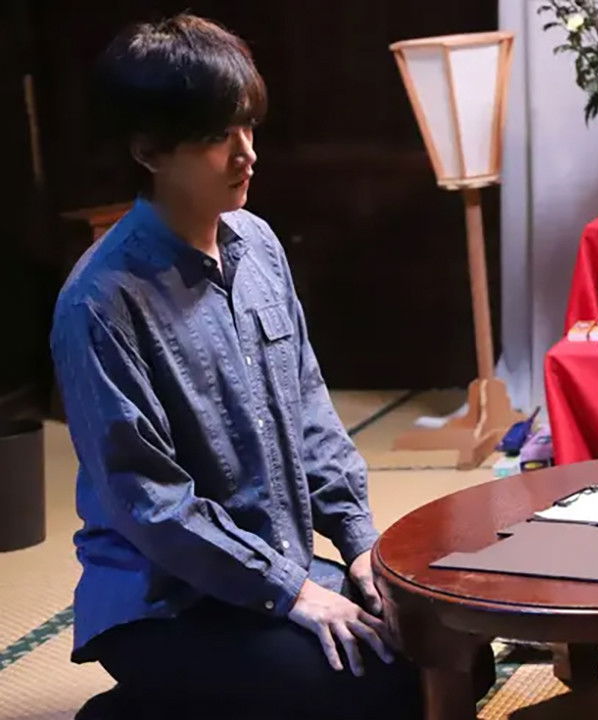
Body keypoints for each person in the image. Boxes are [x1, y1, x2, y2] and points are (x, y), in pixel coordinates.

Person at [53, 14, 490, 719]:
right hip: (166, 602)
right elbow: (151, 503)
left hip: (278, 566)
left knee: (457, 654)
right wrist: (295, 593)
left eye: (248, 126)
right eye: (216, 136)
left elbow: (310, 412)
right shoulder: (100, 301)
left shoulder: (257, 244)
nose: (246, 153)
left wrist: (361, 550)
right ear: (148, 150)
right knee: (380, 693)